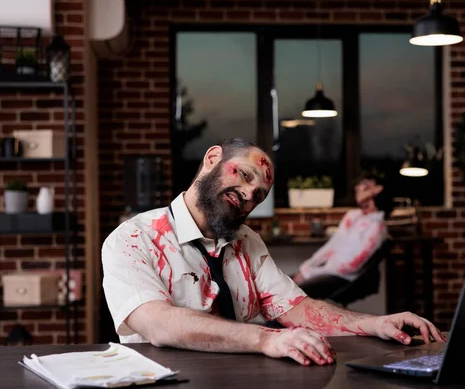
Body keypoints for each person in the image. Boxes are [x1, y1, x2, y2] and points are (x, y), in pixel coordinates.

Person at [102, 138, 444, 367]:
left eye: (260, 193)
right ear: (212, 159)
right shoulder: (133, 238)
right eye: (245, 175)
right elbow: (159, 324)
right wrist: (266, 339)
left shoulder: (246, 241)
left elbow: (299, 308)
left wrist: (372, 323)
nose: (250, 193)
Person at [291, 173, 389, 300]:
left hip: (343, 277)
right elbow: (331, 246)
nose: (358, 188)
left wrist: (310, 273)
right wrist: (305, 269)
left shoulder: (377, 227)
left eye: (365, 185)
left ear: (377, 190)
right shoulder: (352, 216)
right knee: (281, 285)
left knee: (293, 297)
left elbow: (350, 266)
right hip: (328, 271)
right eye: (358, 185)